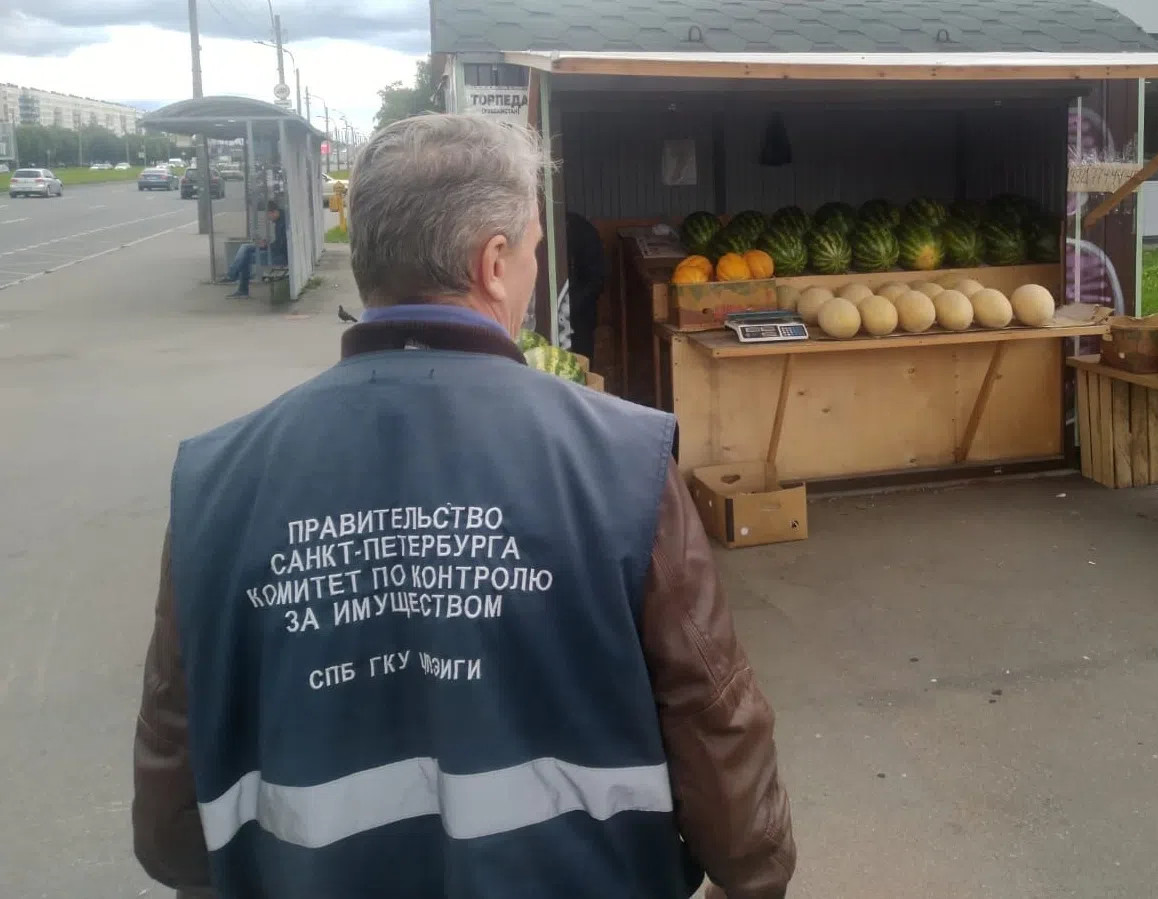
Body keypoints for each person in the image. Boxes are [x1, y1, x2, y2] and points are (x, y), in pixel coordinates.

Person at [132, 114, 795, 899]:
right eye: (535, 253)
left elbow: (173, 783)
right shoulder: (621, 459)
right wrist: (751, 873)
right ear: (493, 262)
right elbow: (710, 707)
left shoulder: (216, 476)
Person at [565, 211, 606, 363]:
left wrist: (570, 307)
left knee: (581, 365)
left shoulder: (582, 232)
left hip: (579, 316)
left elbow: (596, 280)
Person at [225, 201, 287, 298]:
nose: (268, 219)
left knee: (246, 257)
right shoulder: (280, 220)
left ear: (274, 212)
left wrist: (266, 246)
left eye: (268, 215)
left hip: (280, 256)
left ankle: (236, 281)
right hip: (276, 252)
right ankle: (233, 275)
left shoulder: (283, 224)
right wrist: (266, 244)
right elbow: (280, 243)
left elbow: (281, 246)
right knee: (245, 248)